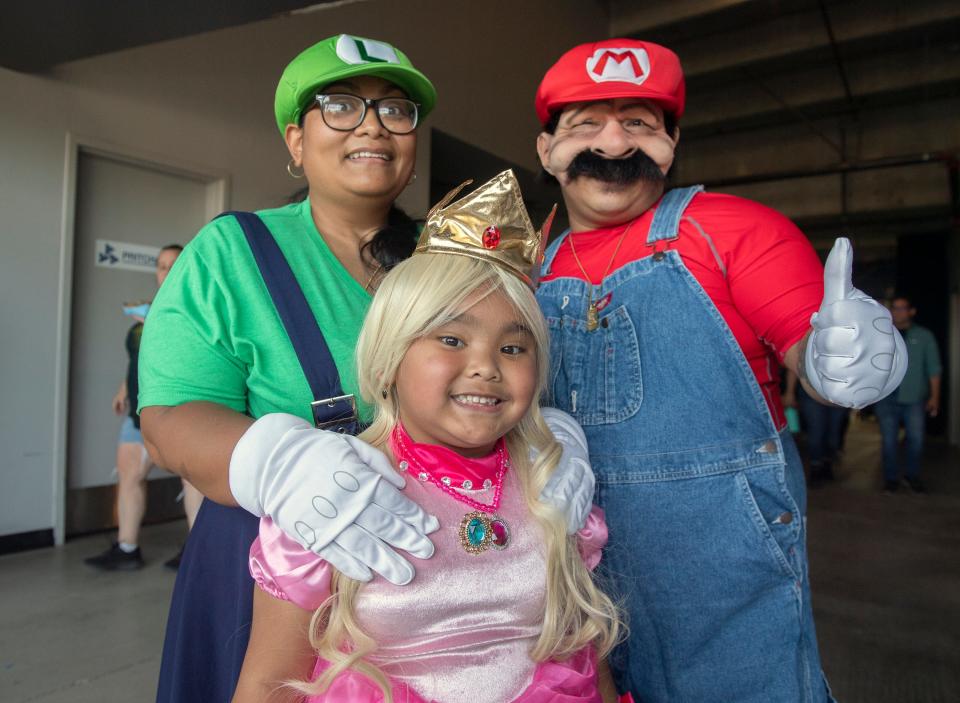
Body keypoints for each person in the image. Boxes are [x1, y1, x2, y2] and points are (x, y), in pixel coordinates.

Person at [138, 35, 594, 703]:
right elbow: (170, 417)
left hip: (442, 579)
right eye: (341, 105)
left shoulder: (453, 257)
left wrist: (549, 435)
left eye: (396, 111)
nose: (373, 125)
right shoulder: (231, 251)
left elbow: (506, 353)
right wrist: (280, 463)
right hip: (278, 575)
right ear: (295, 140)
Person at [532, 39, 907, 702]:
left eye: (640, 124)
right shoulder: (525, 265)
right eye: (586, 123)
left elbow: (809, 351)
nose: (614, 144)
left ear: (672, 143)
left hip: (719, 567)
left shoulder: (731, 229)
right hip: (565, 567)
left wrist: (844, 359)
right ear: (547, 150)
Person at [232, 171, 624, 703]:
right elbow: (268, 684)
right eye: (451, 339)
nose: (485, 367)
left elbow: (585, 648)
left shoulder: (552, 481)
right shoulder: (334, 493)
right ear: (391, 357)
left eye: (513, 348)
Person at [85, 244, 197, 570]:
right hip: (138, 412)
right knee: (129, 476)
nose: (166, 271)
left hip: (180, 412)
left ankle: (196, 552)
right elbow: (138, 360)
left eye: (172, 265)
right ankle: (127, 548)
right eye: (161, 266)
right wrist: (123, 389)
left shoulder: (193, 310)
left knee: (193, 480)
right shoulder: (142, 317)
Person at [875, 295, 942, 493]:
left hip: (914, 398)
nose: (898, 312)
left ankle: (912, 476)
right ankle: (891, 478)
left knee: (916, 439)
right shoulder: (881, 335)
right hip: (886, 397)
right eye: (894, 308)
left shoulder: (924, 336)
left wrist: (935, 397)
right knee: (888, 441)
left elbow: (934, 368)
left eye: (903, 308)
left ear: (911, 311)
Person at [783, 369, 848, 486]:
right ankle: (816, 467)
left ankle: (827, 463)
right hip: (811, 393)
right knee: (816, 432)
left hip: (839, 394)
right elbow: (794, 365)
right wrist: (789, 392)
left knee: (834, 435)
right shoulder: (805, 349)